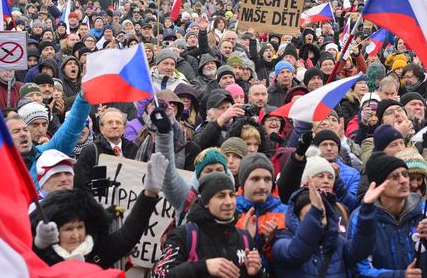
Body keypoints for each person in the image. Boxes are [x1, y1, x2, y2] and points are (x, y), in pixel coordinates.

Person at [32, 153, 168, 267]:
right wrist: (38, 247)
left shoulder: (91, 223)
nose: (76, 235)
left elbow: (126, 237)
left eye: (80, 227)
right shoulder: (31, 216)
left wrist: (149, 194)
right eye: (68, 229)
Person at [348, 152, 427, 277]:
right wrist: (400, 275)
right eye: (394, 176)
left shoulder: (423, 210)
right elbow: (358, 271)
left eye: (405, 174)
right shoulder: (361, 217)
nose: (404, 181)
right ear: (379, 184)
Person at [151, 172, 264, 278]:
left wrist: (256, 273)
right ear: (206, 202)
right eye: (221, 196)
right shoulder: (184, 235)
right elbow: (158, 274)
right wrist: (203, 266)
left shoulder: (244, 238)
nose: (229, 202)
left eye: (232, 195)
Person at [271, 177, 381, 277]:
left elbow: (361, 250)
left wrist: (367, 210)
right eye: (310, 217)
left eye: (322, 215)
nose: (319, 222)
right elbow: (297, 252)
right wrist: (315, 212)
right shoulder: (282, 242)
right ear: (296, 219)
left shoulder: (336, 242)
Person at [235, 154, 286, 275]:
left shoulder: (286, 214)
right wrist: (246, 239)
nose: (263, 186)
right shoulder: (229, 212)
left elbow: (290, 263)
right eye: (255, 179)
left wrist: (271, 242)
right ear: (243, 181)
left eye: (268, 179)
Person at [74, 107, 140, 191]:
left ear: (124, 128)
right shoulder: (91, 151)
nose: (114, 126)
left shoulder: (133, 148)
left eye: (118, 123)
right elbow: (81, 185)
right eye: (110, 123)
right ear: (101, 128)